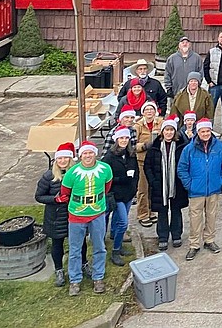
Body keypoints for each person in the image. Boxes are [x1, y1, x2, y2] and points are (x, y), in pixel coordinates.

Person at [58, 140, 113, 296]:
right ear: (80, 155)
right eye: (85, 153)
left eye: (90, 153)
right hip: (77, 216)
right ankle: (75, 280)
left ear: (95, 153)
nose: (88, 156)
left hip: (97, 214)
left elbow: (107, 187)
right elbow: (65, 192)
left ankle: (98, 277)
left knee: (99, 247)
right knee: (75, 250)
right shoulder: (71, 173)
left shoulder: (105, 169)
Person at [177, 118, 222, 260]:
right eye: (203, 131)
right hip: (196, 191)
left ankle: (209, 240)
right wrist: (190, 185)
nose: (206, 133)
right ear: (198, 132)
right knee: (195, 219)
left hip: (214, 189)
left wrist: (221, 180)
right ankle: (194, 244)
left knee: (211, 216)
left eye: (208, 131)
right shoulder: (189, 149)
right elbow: (182, 168)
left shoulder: (219, 146)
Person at [35, 141, 75, 287]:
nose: (62, 161)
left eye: (65, 158)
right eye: (60, 158)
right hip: (56, 217)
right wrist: (55, 199)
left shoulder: (76, 172)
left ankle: (82, 264)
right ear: (56, 160)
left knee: (79, 242)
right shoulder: (48, 176)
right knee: (57, 244)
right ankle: (59, 270)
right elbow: (39, 196)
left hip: (74, 215)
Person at [145, 116, 187, 252]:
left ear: (175, 132)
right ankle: (163, 237)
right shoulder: (154, 147)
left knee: (176, 210)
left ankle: (176, 235)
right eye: (166, 130)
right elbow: (148, 166)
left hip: (176, 185)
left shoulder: (181, 146)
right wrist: (153, 181)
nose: (169, 133)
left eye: (171, 130)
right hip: (160, 185)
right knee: (162, 212)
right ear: (162, 132)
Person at [103, 126, 137, 267]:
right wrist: (122, 178)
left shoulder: (131, 154)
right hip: (117, 195)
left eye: (126, 138)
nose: (124, 140)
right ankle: (115, 252)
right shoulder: (109, 158)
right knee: (123, 222)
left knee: (118, 223)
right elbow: (106, 178)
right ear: (116, 139)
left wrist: (134, 187)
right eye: (121, 138)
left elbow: (137, 172)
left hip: (128, 194)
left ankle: (118, 245)